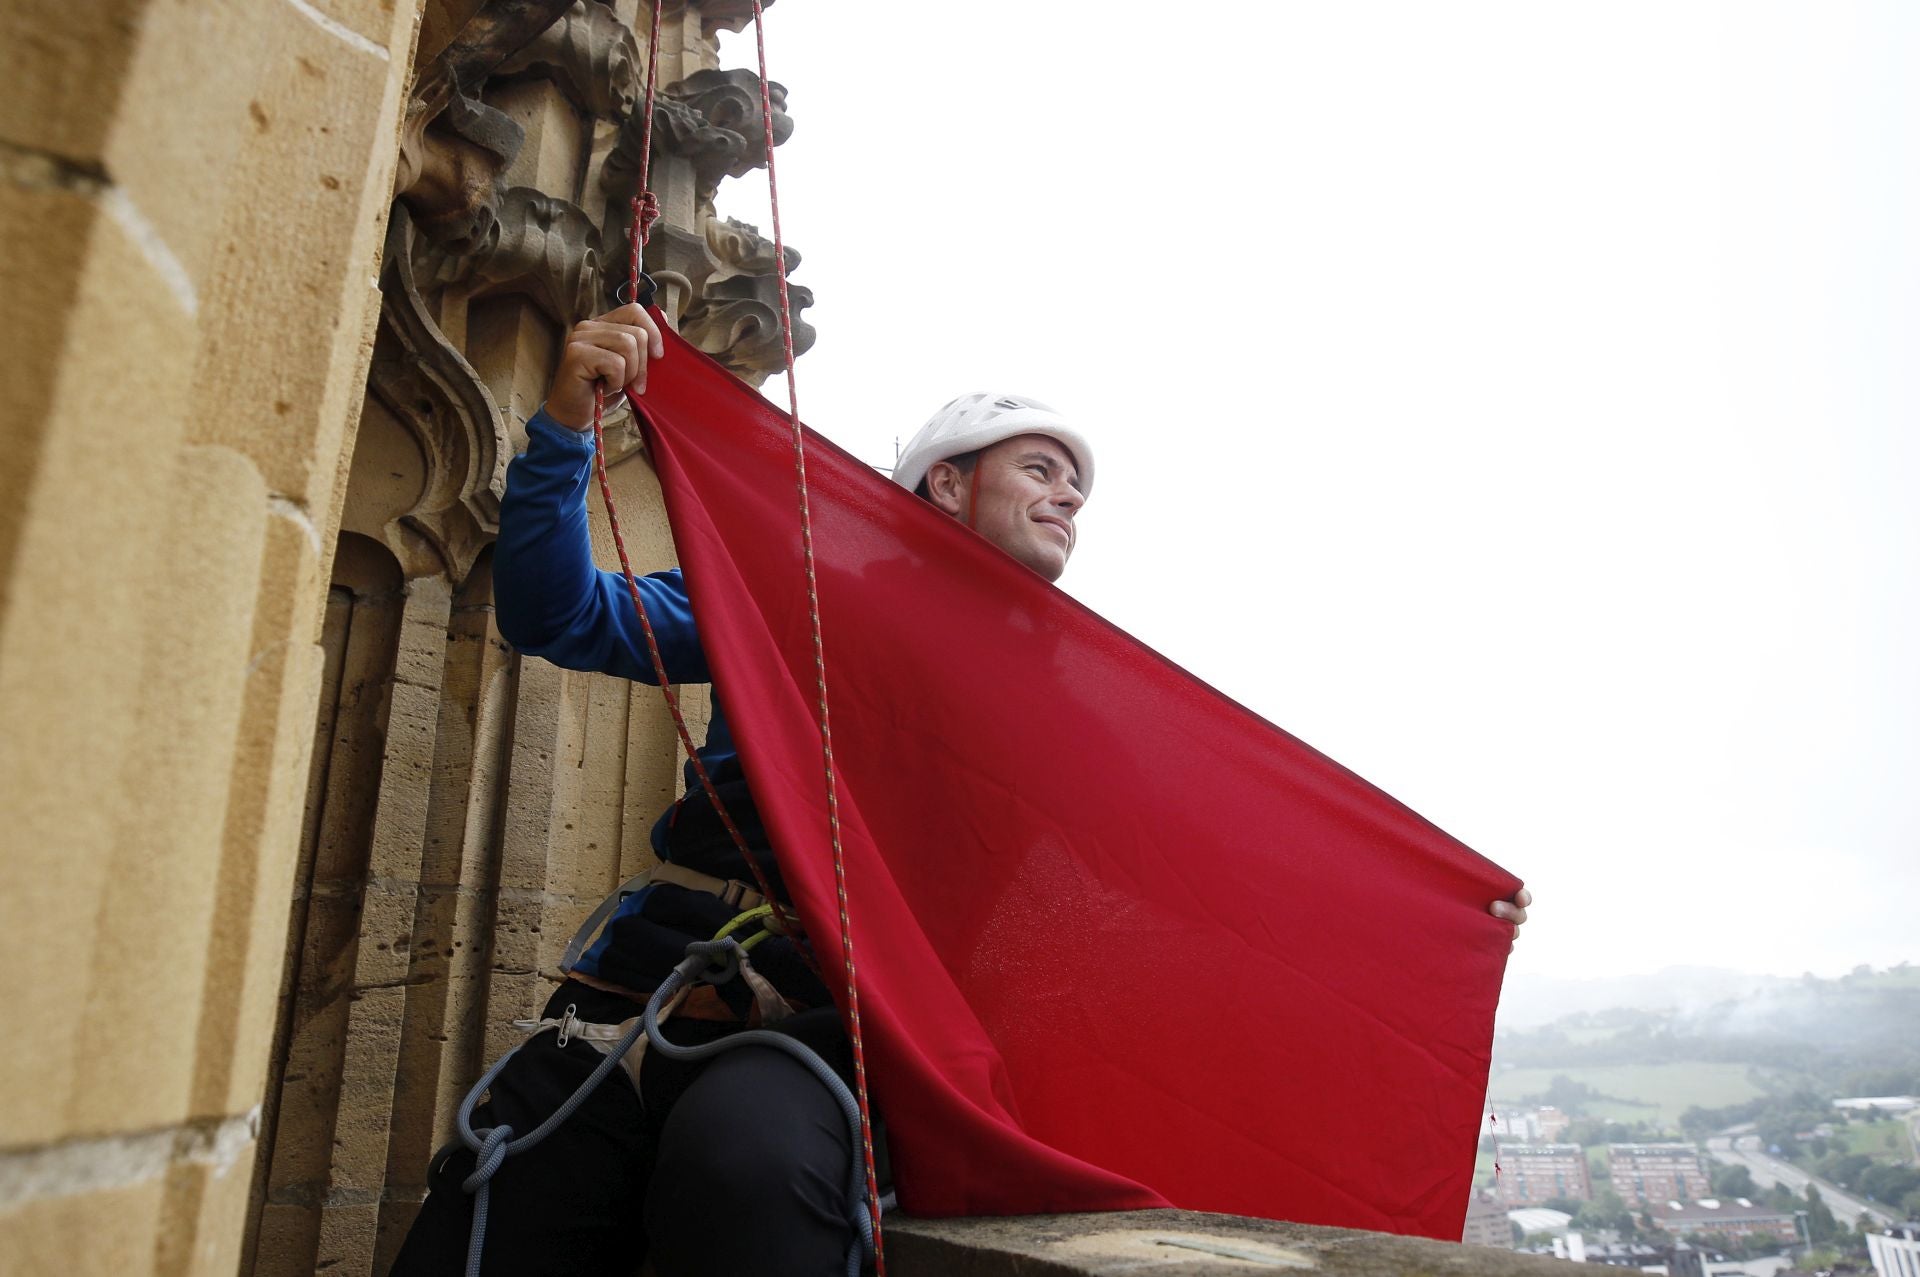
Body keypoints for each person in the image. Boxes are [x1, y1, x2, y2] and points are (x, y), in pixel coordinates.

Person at [390, 303, 1532, 1276]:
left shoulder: (1065, 705)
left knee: (749, 1162)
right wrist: (560, 431)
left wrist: (1435, 916)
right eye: (1041, 467)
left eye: (1077, 485)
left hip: (880, 1037)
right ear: (947, 479)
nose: (1069, 497)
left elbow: (1206, 874)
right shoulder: (803, 595)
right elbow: (560, 613)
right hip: (709, 981)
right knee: (608, 1170)